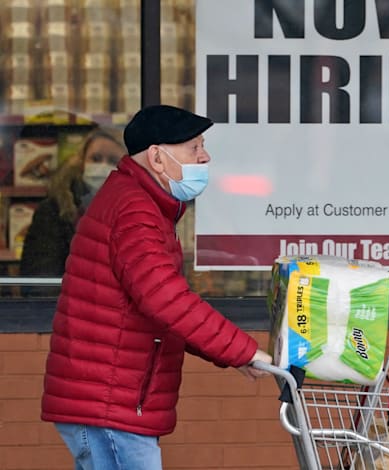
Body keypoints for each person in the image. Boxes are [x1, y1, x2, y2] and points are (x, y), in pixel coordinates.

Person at [41, 104, 273, 470]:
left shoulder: (139, 203)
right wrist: (243, 350)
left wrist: (232, 355)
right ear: (157, 158)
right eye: (194, 147)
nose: (205, 156)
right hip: (109, 405)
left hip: (111, 401)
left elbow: (160, 309)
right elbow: (167, 299)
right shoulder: (136, 211)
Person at [20, 128, 126, 281]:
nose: (103, 166)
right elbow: (40, 278)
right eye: (95, 158)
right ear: (82, 163)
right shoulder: (54, 210)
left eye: (113, 161)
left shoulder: (137, 210)